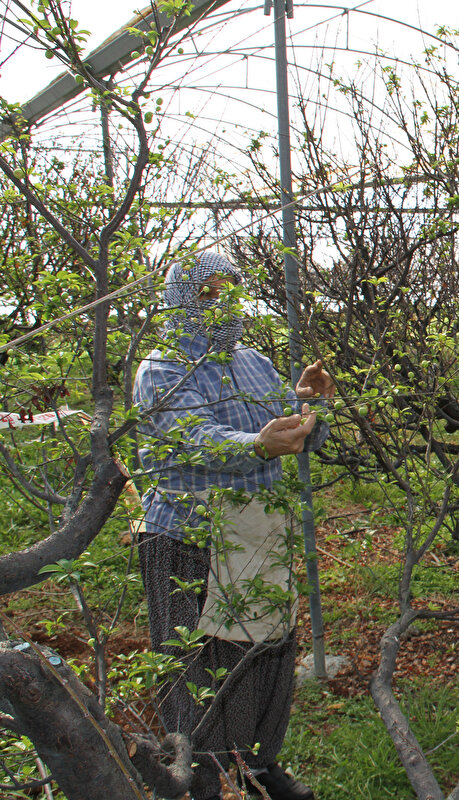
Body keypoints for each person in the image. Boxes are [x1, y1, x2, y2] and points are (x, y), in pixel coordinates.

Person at [133, 251, 333, 800]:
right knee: (201, 661)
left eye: (230, 293)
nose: (222, 306)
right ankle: (200, 778)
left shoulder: (253, 361)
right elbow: (194, 440)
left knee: (268, 648)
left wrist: (311, 404)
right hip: (191, 538)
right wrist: (260, 443)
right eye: (208, 294)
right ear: (181, 299)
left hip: (260, 531)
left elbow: (294, 433)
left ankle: (257, 768)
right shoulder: (163, 370)